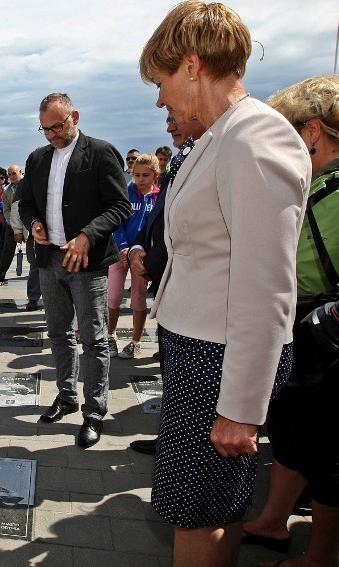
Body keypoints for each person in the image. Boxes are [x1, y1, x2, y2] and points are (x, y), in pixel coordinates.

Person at [138, 3, 311, 564]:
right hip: (204, 346)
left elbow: (267, 286)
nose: (160, 99)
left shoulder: (254, 136)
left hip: (222, 357)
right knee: (215, 508)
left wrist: (241, 405)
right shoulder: (221, 136)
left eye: (161, 82)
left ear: (191, 66)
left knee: (197, 515)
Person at [242, 75, 339, 567]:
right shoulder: (316, 182)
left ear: (314, 132)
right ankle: (274, 521)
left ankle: (320, 556)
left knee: (328, 449)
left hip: (329, 338)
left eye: (289, 130)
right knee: (294, 430)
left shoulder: (334, 191)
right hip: (302, 329)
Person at [18, 92, 131, 449]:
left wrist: (87, 236)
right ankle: (66, 396)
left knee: (94, 339)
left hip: (86, 262)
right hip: (49, 260)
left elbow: (120, 205)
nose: (52, 135)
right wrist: (34, 222)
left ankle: (94, 411)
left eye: (58, 127)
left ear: (75, 117)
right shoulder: (37, 159)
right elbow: (26, 201)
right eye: (45, 129)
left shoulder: (100, 152)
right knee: (57, 333)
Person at [127, 113, 207, 457]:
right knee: (172, 369)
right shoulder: (185, 156)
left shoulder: (209, 155)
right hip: (165, 277)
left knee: (191, 379)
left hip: (194, 286)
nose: (168, 125)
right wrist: (139, 248)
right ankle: (172, 439)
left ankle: (184, 449)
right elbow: (161, 218)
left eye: (176, 116)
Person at [106, 153, 160, 360]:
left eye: (145, 175)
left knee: (138, 297)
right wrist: (123, 246)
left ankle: (136, 341)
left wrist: (147, 252)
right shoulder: (125, 193)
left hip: (143, 256)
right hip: (120, 252)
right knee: (113, 296)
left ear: (155, 175)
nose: (140, 179)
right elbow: (117, 221)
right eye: (136, 175)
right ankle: (110, 335)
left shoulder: (160, 196)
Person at [7, 167, 43, 311]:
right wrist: (17, 230)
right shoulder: (26, 183)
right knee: (35, 266)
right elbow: (17, 207)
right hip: (33, 233)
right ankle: (33, 298)